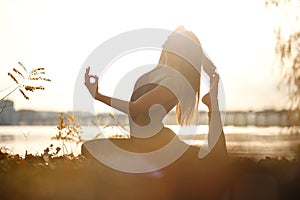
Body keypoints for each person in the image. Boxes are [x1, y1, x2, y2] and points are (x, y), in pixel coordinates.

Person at [82, 26, 228, 172]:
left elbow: (136, 108)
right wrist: (204, 61)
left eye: (175, 40)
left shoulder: (175, 81)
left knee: (215, 160)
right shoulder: (157, 72)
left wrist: (98, 96)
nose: (168, 40)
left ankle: (212, 101)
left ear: (182, 51)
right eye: (170, 38)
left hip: (158, 144)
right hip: (138, 143)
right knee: (87, 148)